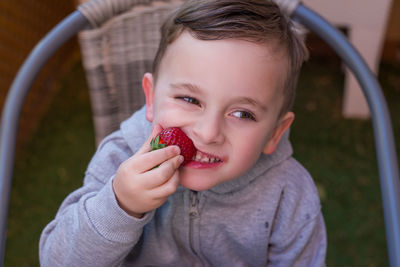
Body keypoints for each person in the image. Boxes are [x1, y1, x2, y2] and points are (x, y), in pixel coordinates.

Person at [40, 0, 327, 266]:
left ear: (275, 133)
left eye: (242, 114)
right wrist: (121, 206)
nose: (208, 132)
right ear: (151, 99)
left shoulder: (290, 194)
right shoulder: (119, 156)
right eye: (190, 100)